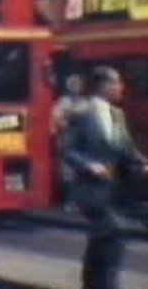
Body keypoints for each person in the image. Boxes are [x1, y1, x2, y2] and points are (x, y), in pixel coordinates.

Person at [62, 66, 148, 289]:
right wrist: (88, 165)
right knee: (113, 238)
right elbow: (66, 149)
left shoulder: (118, 115)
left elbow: (126, 146)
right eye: (117, 83)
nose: (122, 87)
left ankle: (93, 283)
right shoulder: (81, 112)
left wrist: (142, 161)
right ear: (104, 86)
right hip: (92, 190)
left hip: (116, 189)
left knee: (104, 243)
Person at [51, 74, 89, 211]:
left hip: (82, 142)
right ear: (69, 87)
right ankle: (68, 202)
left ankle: (80, 201)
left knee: (81, 172)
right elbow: (55, 120)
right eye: (73, 85)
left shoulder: (86, 103)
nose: (76, 87)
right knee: (68, 173)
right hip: (67, 140)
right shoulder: (62, 102)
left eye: (78, 85)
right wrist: (65, 122)